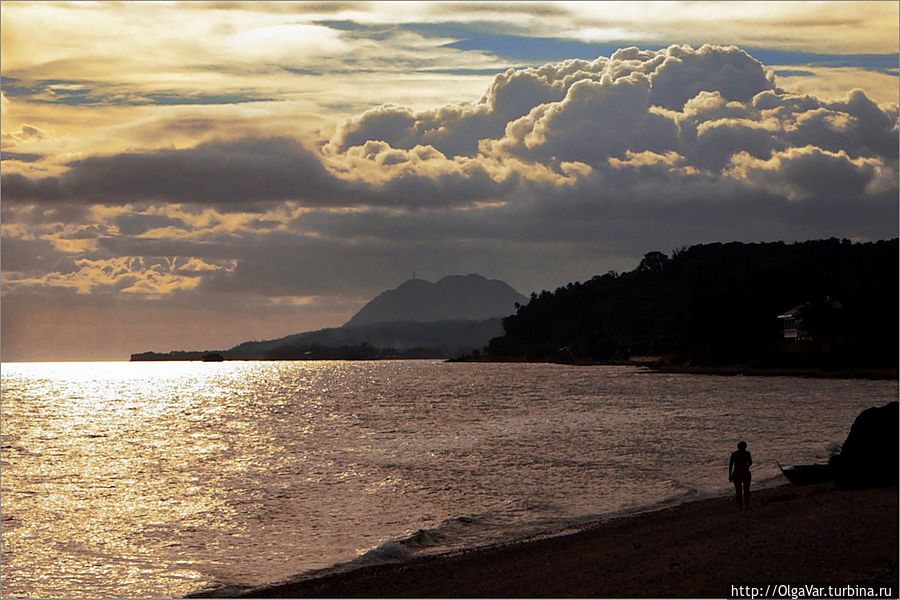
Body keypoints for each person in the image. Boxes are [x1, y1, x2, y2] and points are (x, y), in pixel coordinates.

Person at [728, 441, 752, 509]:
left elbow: (750, 462)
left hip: (743, 473)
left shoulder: (746, 453)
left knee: (745, 489)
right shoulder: (735, 454)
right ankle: (741, 506)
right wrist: (730, 475)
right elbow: (730, 465)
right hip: (738, 474)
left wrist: (730, 475)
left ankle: (745, 505)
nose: (743, 448)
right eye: (743, 447)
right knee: (740, 491)